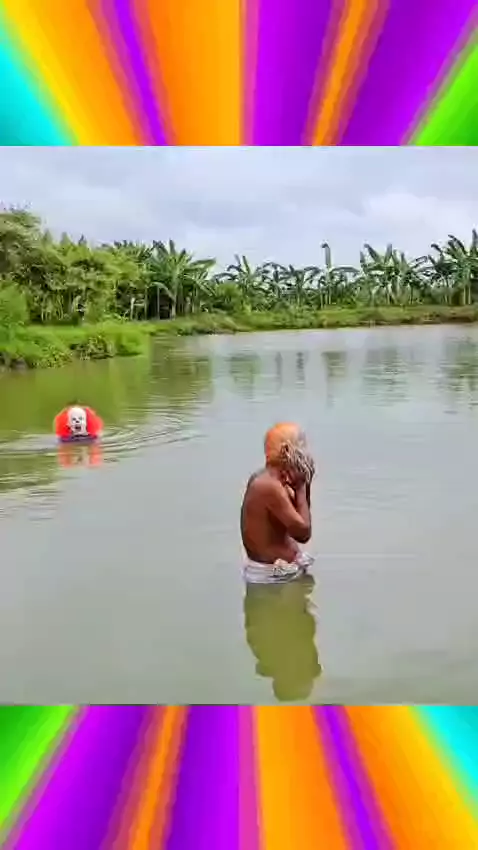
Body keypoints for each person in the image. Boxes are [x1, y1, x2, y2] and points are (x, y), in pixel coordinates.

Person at [241, 422, 315, 583]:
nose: (306, 453)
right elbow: (303, 533)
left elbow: (298, 518)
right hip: (273, 578)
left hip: (277, 574)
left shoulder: (271, 479)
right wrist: (301, 488)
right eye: (301, 446)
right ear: (286, 450)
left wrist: (304, 484)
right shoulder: (269, 486)